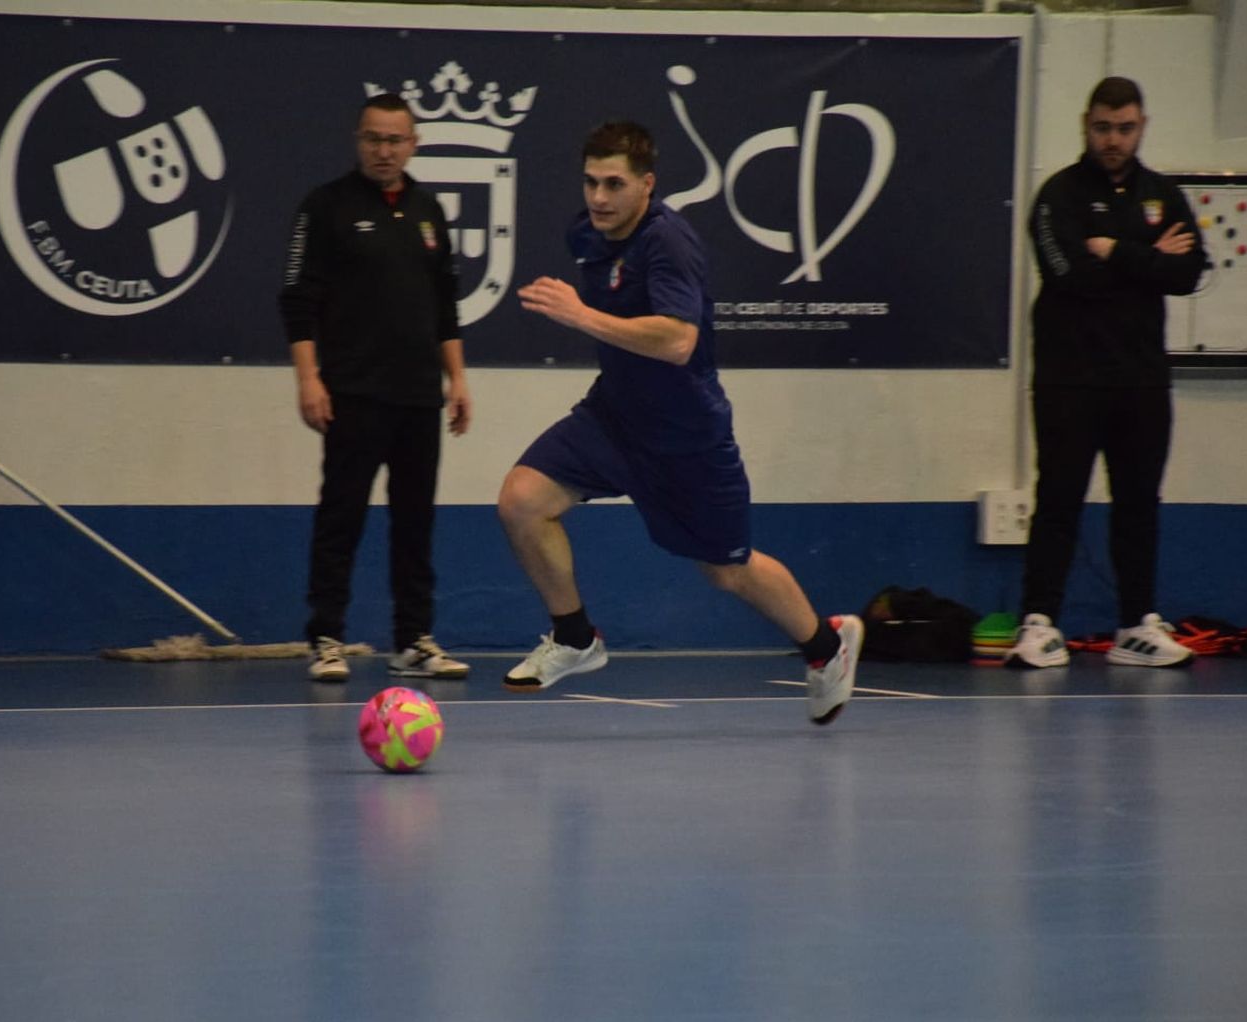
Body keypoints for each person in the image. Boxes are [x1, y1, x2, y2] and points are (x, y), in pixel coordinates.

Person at [496, 121, 863, 724]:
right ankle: (574, 637)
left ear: (647, 185)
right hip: (614, 416)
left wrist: (581, 315)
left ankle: (827, 649)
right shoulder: (586, 233)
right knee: (521, 501)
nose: (599, 197)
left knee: (727, 571)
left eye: (614, 183)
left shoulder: (669, 242)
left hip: (686, 438)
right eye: (590, 182)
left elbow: (677, 341)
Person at [1006, 77, 1207, 670]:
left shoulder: (1162, 194)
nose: (1113, 139)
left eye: (1124, 128)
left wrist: (1114, 250)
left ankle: (1137, 624)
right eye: (1102, 128)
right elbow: (1069, 277)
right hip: (1069, 378)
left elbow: (1190, 272)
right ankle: (1039, 622)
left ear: (1141, 126)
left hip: (1143, 379)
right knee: (1059, 499)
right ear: (1085, 125)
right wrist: (1148, 257)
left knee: (1139, 502)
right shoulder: (1057, 197)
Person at [278, 93, 474, 682]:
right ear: (358, 141)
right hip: (353, 393)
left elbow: (445, 307)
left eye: (395, 140)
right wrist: (309, 379)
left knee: (415, 522)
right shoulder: (326, 207)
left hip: (419, 396)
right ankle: (327, 638)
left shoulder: (428, 209)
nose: (384, 150)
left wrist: (458, 379)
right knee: (342, 517)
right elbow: (298, 300)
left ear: (413, 144)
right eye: (373, 139)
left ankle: (414, 640)